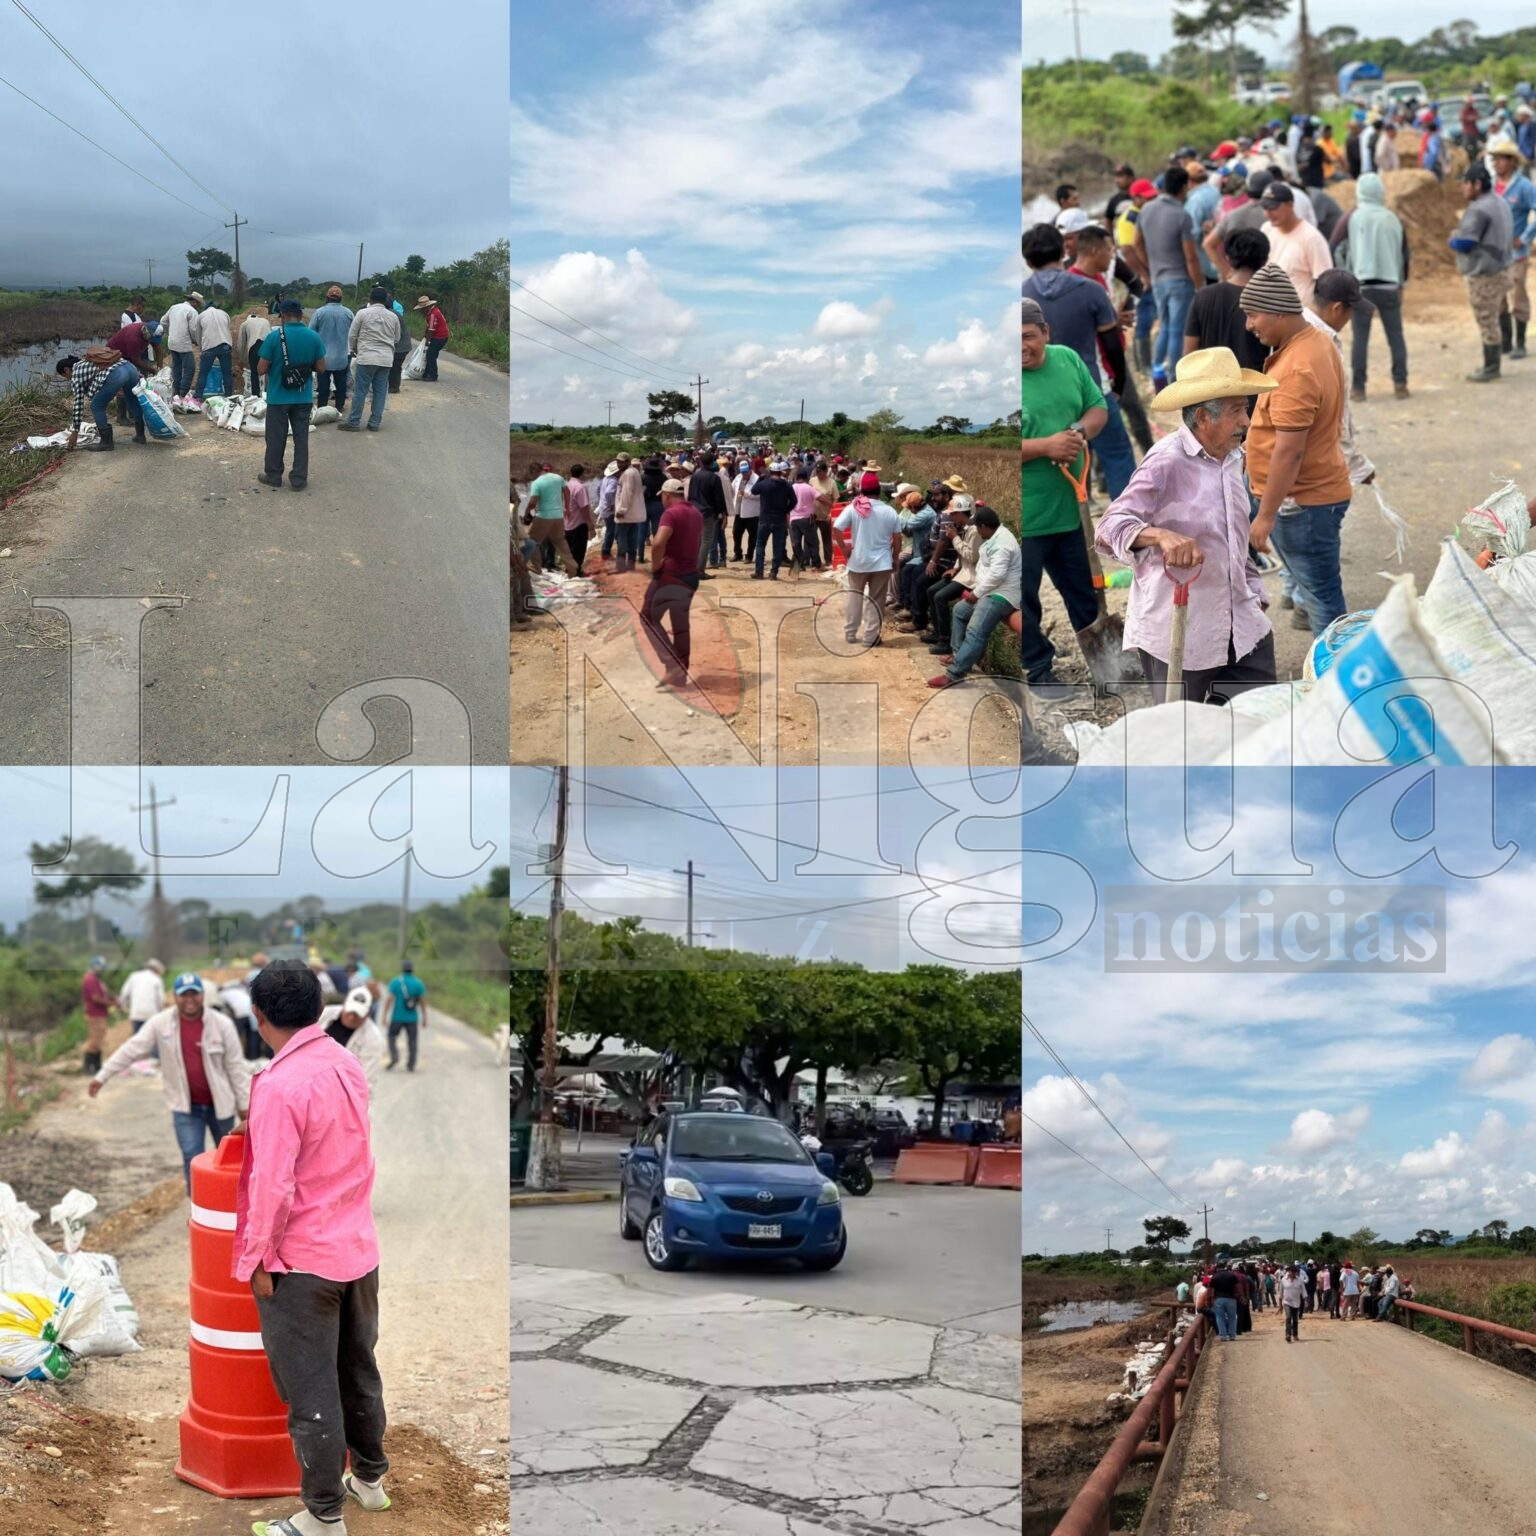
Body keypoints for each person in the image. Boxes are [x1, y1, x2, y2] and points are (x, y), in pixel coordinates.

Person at [236, 961, 390, 1536]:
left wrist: (256, 1260)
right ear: (320, 1010)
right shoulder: (346, 1062)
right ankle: (369, 1482)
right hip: (358, 1249)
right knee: (358, 1367)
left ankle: (323, 1517)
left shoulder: (279, 1085)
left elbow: (272, 1187)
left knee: (311, 1389)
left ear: (258, 1017)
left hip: (302, 1261)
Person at [1098, 347, 1276, 702]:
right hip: (1181, 633)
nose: (1247, 421)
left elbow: (1233, 539)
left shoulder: (1232, 456)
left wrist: (1253, 591)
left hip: (1241, 624)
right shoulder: (1165, 462)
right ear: (1203, 417)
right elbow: (1110, 526)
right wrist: (1160, 536)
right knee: (1183, 739)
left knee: (1257, 722)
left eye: (1246, 408)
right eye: (1237, 411)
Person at [1242, 264, 1352, 635]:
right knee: (1318, 591)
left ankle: (1338, 681)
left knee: (1323, 598)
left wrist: (1265, 515)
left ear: (1277, 311)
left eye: (1253, 315)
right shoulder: (1315, 341)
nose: (1249, 325)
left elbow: (1290, 452)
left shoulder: (1298, 368)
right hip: (1307, 496)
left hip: (1302, 502)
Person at [1018, 297, 1107, 687]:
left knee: (1084, 593)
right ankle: (1038, 670)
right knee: (1025, 598)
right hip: (1026, 515)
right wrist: (1044, 446)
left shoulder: (1067, 359)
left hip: (1071, 507)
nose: (1021, 347)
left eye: (1028, 337)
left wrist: (1079, 432)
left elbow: (1097, 407)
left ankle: (1107, 666)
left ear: (1046, 333)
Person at [89, 973, 249, 1189]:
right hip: (185, 1107)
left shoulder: (222, 1025)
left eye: (194, 994)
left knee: (230, 1160)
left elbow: (235, 1067)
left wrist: (244, 1105)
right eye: (184, 995)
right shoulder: (161, 1023)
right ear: (175, 996)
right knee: (191, 1156)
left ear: (202, 995)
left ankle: (231, 1207)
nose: (189, 999)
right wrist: (102, 1075)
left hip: (221, 1106)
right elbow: (131, 1049)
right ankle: (198, 1208)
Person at [1023, 223, 1134, 498]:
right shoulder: (1089, 289)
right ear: (1064, 249)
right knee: (1118, 456)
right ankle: (1125, 522)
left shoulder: (1022, 296)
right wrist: (1119, 384)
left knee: (1061, 461)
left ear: (1026, 259)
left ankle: (1082, 513)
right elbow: (1112, 346)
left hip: (1040, 396)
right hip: (1092, 390)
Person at [1332, 173, 1411, 399]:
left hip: (1361, 287)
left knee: (1361, 338)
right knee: (1395, 335)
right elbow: (1405, 255)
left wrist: (1343, 273)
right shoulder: (1394, 218)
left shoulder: (1351, 217)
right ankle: (1400, 384)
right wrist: (1402, 283)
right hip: (1389, 286)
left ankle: (1359, 388)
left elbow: (1334, 245)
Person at [929, 505, 1020, 689]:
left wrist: (976, 594)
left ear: (985, 526)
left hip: (1000, 595)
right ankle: (959, 655)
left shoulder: (1003, 544)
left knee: (976, 630)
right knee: (960, 610)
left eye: (978, 528)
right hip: (988, 590)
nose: (977, 531)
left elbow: (997, 575)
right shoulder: (994, 536)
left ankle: (955, 674)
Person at [1133, 163, 1204, 390]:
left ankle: (1157, 371)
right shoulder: (1181, 215)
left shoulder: (1146, 210)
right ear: (1184, 187)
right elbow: (1191, 256)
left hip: (1158, 279)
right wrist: (1200, 285)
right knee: (1177, 330)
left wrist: (1150, 265)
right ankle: (1175, 379)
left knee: (1164, 326)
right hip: (1180, 280)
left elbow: (1136, 243)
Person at [1453, 163, 1516, 382]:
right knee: (1499, 310)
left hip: (1485, 273)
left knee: (1486, 318)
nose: (1463, 188)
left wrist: (1452, 238)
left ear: (1477, 185)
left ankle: (1491, 367)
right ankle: (1507, 345)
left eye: (1465, 183)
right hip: (1504, 268)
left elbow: (1465, 242)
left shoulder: (1478, 209)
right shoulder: (1500, 201)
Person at [1184, 227, 1273, 379]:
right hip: (1253, 392)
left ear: (1228, 259)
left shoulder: (1203, 296)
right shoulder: (1269, 300)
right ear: (1265, 261)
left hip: (1210, 393)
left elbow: (1188, 354)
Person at [256, 299, 326, 492]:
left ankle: (273, 475)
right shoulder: (313, 337)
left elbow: (261, 369)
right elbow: (321, 368)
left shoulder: (273, 337)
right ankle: (299, 479)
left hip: (278, 398)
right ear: (301, 316)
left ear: (283, 316)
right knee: (301, 438)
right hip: (303, 398)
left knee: (275, 439)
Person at [641, 476, 704, 688]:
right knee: (680, 624)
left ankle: (672, 665)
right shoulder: (695, 513)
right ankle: (680, 673)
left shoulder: (670, 513)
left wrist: (655, 565)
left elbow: (658, 543)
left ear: (667, 496)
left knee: (648, 616)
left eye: (663, 498)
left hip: (671, 574)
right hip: (691, 575)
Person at [831, 470, 903, 646]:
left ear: (861, 491)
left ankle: (850, 633)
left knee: (854, 597)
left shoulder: (854, 508)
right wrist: (895, 559)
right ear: (879, 491)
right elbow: (897, 538)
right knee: (876, 600)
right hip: (882, 563)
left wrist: (845, 549)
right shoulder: (890, 511)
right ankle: (871, 638)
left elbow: (836, 529)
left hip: (858, 561)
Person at [1488, 138, 1536, 358]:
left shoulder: (1524, 186)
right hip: (1495, 252)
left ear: (1511, 161)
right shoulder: (1490, 186)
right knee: (1498, 297)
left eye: (1500, 159)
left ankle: (1520, 342)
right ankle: (1505, 342)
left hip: (1516, 253)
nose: (1496, 163)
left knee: (1518, 294)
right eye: (1495, 159)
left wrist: (1525, 237)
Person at [1258, 181, 1332, 306]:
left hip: (1300, 318)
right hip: (1270, 314)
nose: (1268, 214)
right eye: (1265, 208)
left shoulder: (1311, 238)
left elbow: (1326, 282)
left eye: (1273, 208)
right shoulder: (1266, 230)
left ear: (1290, 205)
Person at [57, 348, 146, 452]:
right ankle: (140, 436)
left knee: (96, 406)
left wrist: (75, 432)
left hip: (118, 374)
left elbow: (78, 404)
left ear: (67, 370)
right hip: (130, 368)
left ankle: (106, 443)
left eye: (65, 376)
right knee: (132, 400)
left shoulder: (76, 375)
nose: (67, 379)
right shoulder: (86, 362)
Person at [340, 287, 401, 431]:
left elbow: (352, 335)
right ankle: (374, 423)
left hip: (366, 357)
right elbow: (397, 338)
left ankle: (354, 422)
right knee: (380, 391)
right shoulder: (393, 316)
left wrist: (354, 350)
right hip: (385, 359)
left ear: (370, 299)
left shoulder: (362, 313)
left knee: (361, 391)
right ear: (386, 300)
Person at [320, 985, 386, 1094]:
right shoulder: (323, 1014)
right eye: (350, 1011)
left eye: (357, 1014)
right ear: (345, 1004)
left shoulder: (374, 1040)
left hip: (339, 1090)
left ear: (367, 1014)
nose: (352, 1017)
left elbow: (366, 1082)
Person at [308, 286, 355, 414]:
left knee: (323, 383)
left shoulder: (319, 312)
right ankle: (339, 406)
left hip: (323, 357)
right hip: (342, 355)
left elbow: (311, 332)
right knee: (341, 383)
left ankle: (323, 407)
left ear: (327, 297)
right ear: (341, 298)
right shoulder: (349, 313)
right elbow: (354, 333)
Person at [753, 459, 797, 579]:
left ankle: (759, 572)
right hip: (780, 520)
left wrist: (761, 478)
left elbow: (753, 490)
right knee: (777, 546)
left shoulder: (764, 483)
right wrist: (786, 509)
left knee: (760, 545)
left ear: (770, 471)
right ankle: (773, 573)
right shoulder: (786, 485)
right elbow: (794, 501)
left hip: (765, 519)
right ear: (779, 472)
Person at [688, 452, 729, 578]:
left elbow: (690, 495)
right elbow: (719, 498)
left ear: (700, 462)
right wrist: (723, 514)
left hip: (694, 511)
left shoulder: (695, 476)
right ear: (712, 462)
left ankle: (693, 567)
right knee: (706, 541)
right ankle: (699, 570)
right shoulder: (714, 477)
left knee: (697, 540)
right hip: (707, 513)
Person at [188, 296, 233, 407]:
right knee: (227, 372)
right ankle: (229, 397)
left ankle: (198, 397)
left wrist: (201, 348)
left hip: (209, 347)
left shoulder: (201, 316)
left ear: (206, 307)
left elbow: (198, 335)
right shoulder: (224, 314)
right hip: (225, 345)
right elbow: (228, 328)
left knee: (203, 372)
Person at [160, 290, 203, 403]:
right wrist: (196, 341)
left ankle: (176, 392)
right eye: (198, 304)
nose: (198, 306)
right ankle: (183, 393)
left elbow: (163, 321)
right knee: (190, 368)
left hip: (172, 342)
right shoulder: (192, 311)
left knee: (177, 367)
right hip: (183, 343)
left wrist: (169, 333)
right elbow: (193, 330)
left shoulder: (174, 307)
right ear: (194, 302)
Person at [79, 955, 117, 1074]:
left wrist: (113, 998)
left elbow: (104, 993)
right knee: (94, 1040)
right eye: (102, 968)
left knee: (99, 1040)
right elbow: (96, 998)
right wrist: (110, 1003)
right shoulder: (90, 979)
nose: (104, 970)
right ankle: (88, 1066)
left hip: (100, 1014)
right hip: (95, 1014)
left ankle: (97, 1066)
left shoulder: (96, 980)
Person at [612, 452, 646, 573]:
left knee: (622, 542)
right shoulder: (634, 472)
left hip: (626, 515)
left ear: (628, 462)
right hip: (633, 514)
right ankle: (631, 567)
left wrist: (621, 510)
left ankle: (621, 568)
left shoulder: (627, 474)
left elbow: (627, 494)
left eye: (622, 462)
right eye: (618, 462)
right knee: (632, 541)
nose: (619, 464)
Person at [118, 957, 166, 1034]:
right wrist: (160, 1013)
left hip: (136, 1013)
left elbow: (124, 993)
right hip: (152, 1014)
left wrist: (124, 1006)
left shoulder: (134, 976)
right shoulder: (157, 979)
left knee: (138, 1039)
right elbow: (160, 999)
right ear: (156, 970)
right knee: (152, 1039)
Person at [789, 466, 822, 573]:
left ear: (797, 477)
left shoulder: (792, 487)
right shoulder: (809, 488)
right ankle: (816, 565)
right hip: (807, 519)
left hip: (794, 519)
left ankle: (800, 564)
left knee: (797, 543)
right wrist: (831, 505)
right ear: (806, 478)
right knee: (813, 543)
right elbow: (820, 497)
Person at [564, 463, 596, 572]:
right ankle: (576, 571)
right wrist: (590, 523)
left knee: (570, 549)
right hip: (578, 523)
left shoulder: (567, 485)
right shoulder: (580, 487)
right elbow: (584, 507)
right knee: (579, 550)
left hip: (567, 523)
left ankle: (569, 568)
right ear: (582, 474)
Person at [238, 307, 272, 399]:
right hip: (268, 346)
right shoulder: (265, 321)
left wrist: (241, 360)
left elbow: (241, 343)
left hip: (255, 346)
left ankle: (256, 396)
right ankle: (269, 394)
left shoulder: (245, 324)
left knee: (254, 372)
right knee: (270, 371)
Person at [415, 295, 449, 381]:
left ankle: (433, 375)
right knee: (431, 354)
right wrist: (426, 336)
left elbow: (431, 329)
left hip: (440, 337)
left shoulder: (433, 314)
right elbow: (429, 328)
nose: (421, 310)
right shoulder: (432, 312)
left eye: (422, 308)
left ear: (427, 306)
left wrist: (427, 341)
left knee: (430, 354)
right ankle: (427, 373)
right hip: (440, 336)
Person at [1209, 1262, 1240, 1341]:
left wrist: (1211, 1299)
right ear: (1225, 1267)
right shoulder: (1232, 1275)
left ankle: (1223, 1336)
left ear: (1217, 1268)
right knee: (1232, 1317)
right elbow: (1237, 1287)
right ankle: (1232, 1335)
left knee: (1220, 1318)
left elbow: (1211, 1290)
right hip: (1231, 1298)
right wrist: (1239, 1295)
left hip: (1218, 1299)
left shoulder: (1214, 1277)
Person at [1279, 1263, 1305, 1341]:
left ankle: (1295, 1334)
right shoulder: (1283, 1280)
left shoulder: (1300, 1281)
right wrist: (1280, 1305)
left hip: (1296, 1303)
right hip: (1287, 1302)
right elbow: (1280, 1293)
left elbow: (1303, 1291)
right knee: (1288, 1317)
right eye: (1292, 1271)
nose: (1293, 1273)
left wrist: (1306, 1301)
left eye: (1295, 1271)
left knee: (1295, 1319)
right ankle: (1288, 1334)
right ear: (1288, 1271)